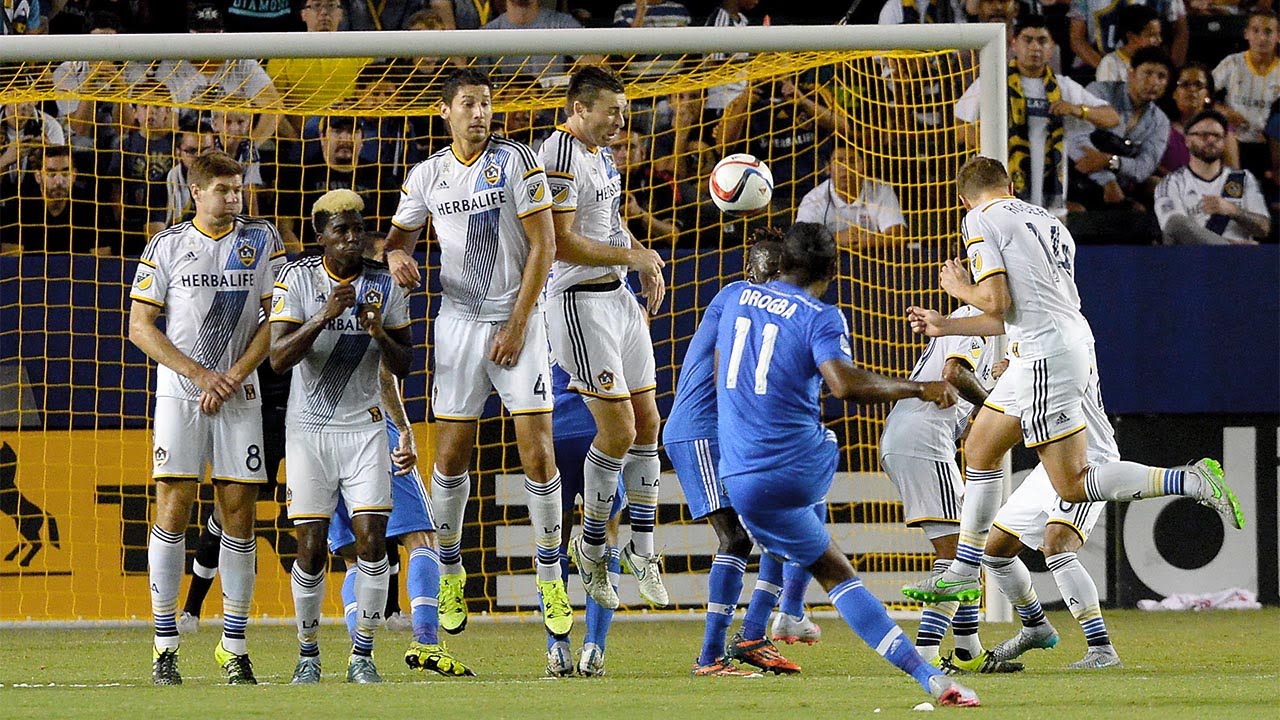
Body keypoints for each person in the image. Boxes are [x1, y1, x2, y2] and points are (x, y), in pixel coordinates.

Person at [901, 156, 1245, 607]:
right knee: (980, 447)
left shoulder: (979, 218)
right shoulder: (1050, 222)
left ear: (963, 198)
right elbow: (1019, 312)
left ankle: (1191, 481)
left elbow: (996, 300)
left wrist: (959, 288)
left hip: (1046, 353)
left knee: (1072, 483)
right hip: (1054, 343)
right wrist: (946, 326)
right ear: (1010, 185)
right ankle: (964, 571)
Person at [714, 222, 978, 707]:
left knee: (829, 566)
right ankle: (795, 612)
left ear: (782, 262)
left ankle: (923, 675)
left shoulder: (734, 299)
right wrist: (920, 388)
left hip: (737, 473)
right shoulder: (822, 315)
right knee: (827, 445)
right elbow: (845, 385)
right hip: (796, 466)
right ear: (833, 269)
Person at [383, 68, 574, 649]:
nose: (479, 113)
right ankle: (448, 571)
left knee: (537, 453)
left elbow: (546, 245)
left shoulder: (518, 161)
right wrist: (395, 260)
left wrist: (517, 324)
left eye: (486, 104)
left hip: (518, 319)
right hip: (458, 325)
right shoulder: (427, 175)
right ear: (446, 111)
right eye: (468, 104)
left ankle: (549, 575)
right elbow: (396, 242)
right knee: (450, 455)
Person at [127, 150, 286, 685]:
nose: (233, 197)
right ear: (196, 192)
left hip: (239, 391)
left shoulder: (262, 240)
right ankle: (164, 644)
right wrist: (199, 375)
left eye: (237, 187)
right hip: (181, 393)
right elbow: (141, 326)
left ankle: (235, 645)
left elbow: (276, 320)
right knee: (172, 503)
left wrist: (236, 373)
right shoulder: (166, 245)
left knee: (239, 513)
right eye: (222, 188)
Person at [537, 66, 669, 611]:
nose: (621, 120)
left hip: (615, 298)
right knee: (615, 431)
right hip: (576, 302)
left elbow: (610, 224)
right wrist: (632, 256)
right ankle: (590, 546)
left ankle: (644, 548)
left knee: (648, 424)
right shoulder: (560, 154)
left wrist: (642, 259)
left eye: (623, 110)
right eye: (611, 111)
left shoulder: (603, 156)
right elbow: (562, 243)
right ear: (579, 108)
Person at [269, 189, 413, 684]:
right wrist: (323, 316)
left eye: (360, 229)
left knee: (373, 542)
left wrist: (379, 334)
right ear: (320, 237)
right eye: (341, 230)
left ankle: (363, 655)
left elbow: (406, 364)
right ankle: (308, 652)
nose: (354, 239)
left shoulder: (385, 286)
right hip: (308, 430)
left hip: (366, 429)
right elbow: (278, 358)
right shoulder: (296, 279)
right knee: (309, 547)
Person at [664, 232, 803, 677]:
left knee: (785, 529)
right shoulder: (734, 297)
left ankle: (752, 636)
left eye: (784, 273)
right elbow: (733, 369)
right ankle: (709, 657)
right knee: (736, 539)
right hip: (700, 431)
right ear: (750, 275)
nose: (776, 282)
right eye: (769, 273)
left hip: (731, 433)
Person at [878, 304, 1021, 674]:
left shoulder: (973, 322)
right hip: (924, 438)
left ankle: (968, 649)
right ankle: (925, 654)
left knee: (966, 545)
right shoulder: (975, 316)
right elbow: (954, 373)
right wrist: (996, 403)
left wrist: (996, 386)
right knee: (959, 553)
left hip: (913, 435)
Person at [979, 358, 1124, 670]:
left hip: (1087, 458)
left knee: (1057, 544)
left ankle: (1102, 649)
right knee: (994, 551)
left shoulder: (1067, 331)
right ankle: (1035, 626)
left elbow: (1063, 378)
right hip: (1051, 464)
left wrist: (1021, 374)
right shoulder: (1030, 335)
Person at [955, 15, 1119, 217]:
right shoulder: (992, 81)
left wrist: (1078, 110)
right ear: (1013, 44)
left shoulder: (1063, 86)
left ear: (1051, 48)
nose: (1035, 47)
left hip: (1051, 201)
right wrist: (994, 148)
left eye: (1042, 41)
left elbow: (1112, 118)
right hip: (1001, 196)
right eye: (1028, 39)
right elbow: (958, 127)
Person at [545, 360, 627, 676]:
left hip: (552, 430)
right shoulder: (616, 310)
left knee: (552, 541)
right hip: (599, 428)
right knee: (606, 537)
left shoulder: (536, 316)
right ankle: (594, 649)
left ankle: (558, 649)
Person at [1073, 46, 1172, 210]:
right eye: (1147, 73)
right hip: (1080, 174)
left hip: (1123, 184)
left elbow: (1144, 168)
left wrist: (1111, 161)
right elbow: (1077, 140)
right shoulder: (1100, 92)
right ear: (1131, 73)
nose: (1154, 82)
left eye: (1161, 76)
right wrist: (1107, 181)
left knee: (1156, 189)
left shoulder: (1160, 121)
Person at [1154, 110, 1271, 244]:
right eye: (1203, 135)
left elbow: (1264, 228)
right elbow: (1174, 228)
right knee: (1176, 222)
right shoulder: (1172, 182)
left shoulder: (1242, 178)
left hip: (1239, 261)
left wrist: (1233, 210)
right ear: (1187, 140)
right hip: (1195, 259)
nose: (1210, 140)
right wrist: (1230, 246)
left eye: (1217, 136)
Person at [2, 145, 116, 255]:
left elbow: (103, 258)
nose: (59, 182)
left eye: (65, 173)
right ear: (38, 176)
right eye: (51, 174)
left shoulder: (91, 206)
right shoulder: (18, 206)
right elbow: (11, 259)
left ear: (74, 175)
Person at [795, 145, 907, 250]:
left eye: (852, 161)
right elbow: (800, 241)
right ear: (828, 168)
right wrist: (836, 239)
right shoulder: (814, 199)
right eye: (839, 161)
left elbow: (898, 236)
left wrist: (870, 241)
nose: (845, 167)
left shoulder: (881, 190)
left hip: (873, 259)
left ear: (865, 165)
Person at [1212, 10, 1280, 180]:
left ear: (1278, 36)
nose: (1261, 38)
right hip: (1234, 142)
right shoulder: (1232, 63)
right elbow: (1204, 94)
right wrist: (1223, 110)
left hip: (1268, 146)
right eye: (1255, 31)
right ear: (1246, 34)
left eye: (1268, 32)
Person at [1094, 5, 1162, 83]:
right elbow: (1106, 94)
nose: (1159, 40)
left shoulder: (1158, 63)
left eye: (1159, 34)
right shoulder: (1110, 63)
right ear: (1132, 37)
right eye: (1152, 35)